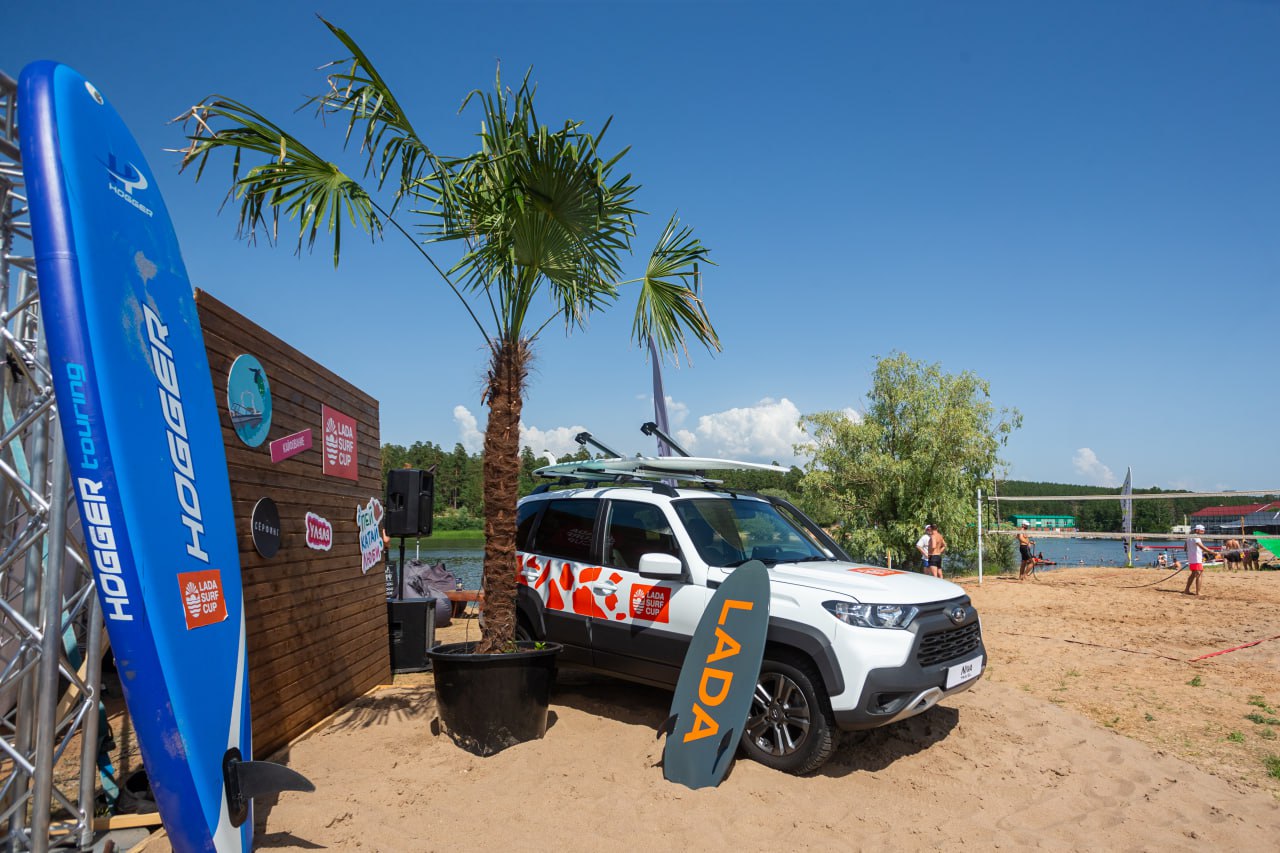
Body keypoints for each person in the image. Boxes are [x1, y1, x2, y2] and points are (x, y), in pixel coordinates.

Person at [1183, 524, 1220, 596]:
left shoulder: (1189, 537)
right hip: (1196, 559)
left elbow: (1185, 548)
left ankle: (1186, 590)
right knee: (1199, 574)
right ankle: (1198, 592)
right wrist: (1212, 552)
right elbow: (1202, 547)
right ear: (1197, 530)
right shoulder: (1196, 537)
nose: (1203, 532)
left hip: (1191, 559)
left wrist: (1197, 551)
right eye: (1202, 531)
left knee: (1193, 574)